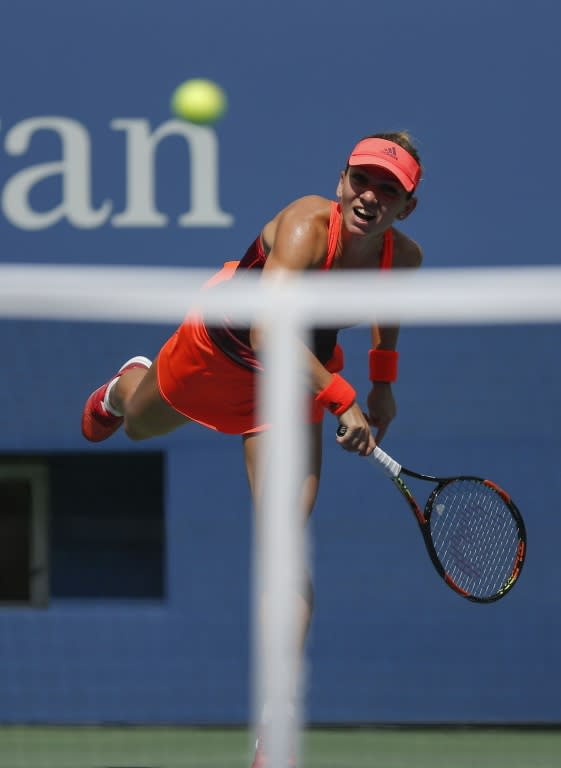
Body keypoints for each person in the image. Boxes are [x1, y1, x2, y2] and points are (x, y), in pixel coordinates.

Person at [81, 131, 423, 767]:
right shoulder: (303, 226)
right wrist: (344, 396)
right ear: (342, 179)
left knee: (284, 545)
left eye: (389, 190)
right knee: (139, 424)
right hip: (220, 352)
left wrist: (383, 386)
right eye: (363, 180)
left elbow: (387, 314)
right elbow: (267, 329)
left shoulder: (402, 257)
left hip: (300, 379)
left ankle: (277, 720)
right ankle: (122, 387)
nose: (370, 196)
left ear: (406, 207)